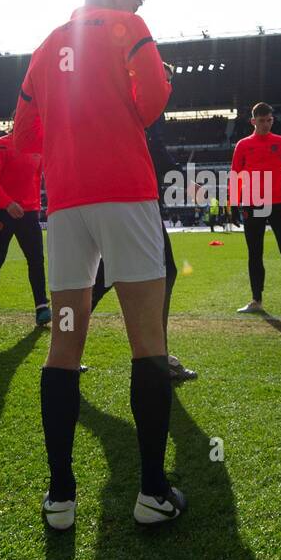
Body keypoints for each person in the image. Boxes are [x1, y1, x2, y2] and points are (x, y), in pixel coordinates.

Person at [11, 0, 185, 529]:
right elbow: (155, 94)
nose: (136, 9)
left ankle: (60, 498)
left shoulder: (45, 46)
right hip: (125, 194)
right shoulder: (126, 27)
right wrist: (122, 116)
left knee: (65, 344)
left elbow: (21, 138)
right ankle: (151, 493)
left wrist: (69, 139)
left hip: (64, 206)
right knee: (147, 340)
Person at [90, 64, 197, 382]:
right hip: (130, 200)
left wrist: (182, 175)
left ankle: (64, 347)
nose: (168, 85)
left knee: (103, 278)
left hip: (123, 200)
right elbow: (151, 153)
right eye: (164, 78)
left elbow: (157, 154)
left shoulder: (138, 105)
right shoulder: (137, 104)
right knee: (163, 271)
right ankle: (157, 355)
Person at [230, 102, 281, 317]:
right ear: (253, 121)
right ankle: (256, 300)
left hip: (278, 202)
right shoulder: (243, 145)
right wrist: (234, 203)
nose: (266, 124)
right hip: (252, 202)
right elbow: (235, 174)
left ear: (272, 120)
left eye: (269, 120)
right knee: (255, 253)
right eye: (262, 120)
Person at [0, 130, 49, 326]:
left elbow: (39, 179)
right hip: (2, 211)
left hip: (28, 213)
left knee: (36, 260)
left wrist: (38, 206)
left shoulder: (39, 147)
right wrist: (8, 203)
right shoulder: (2, 144)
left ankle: (41, 307)